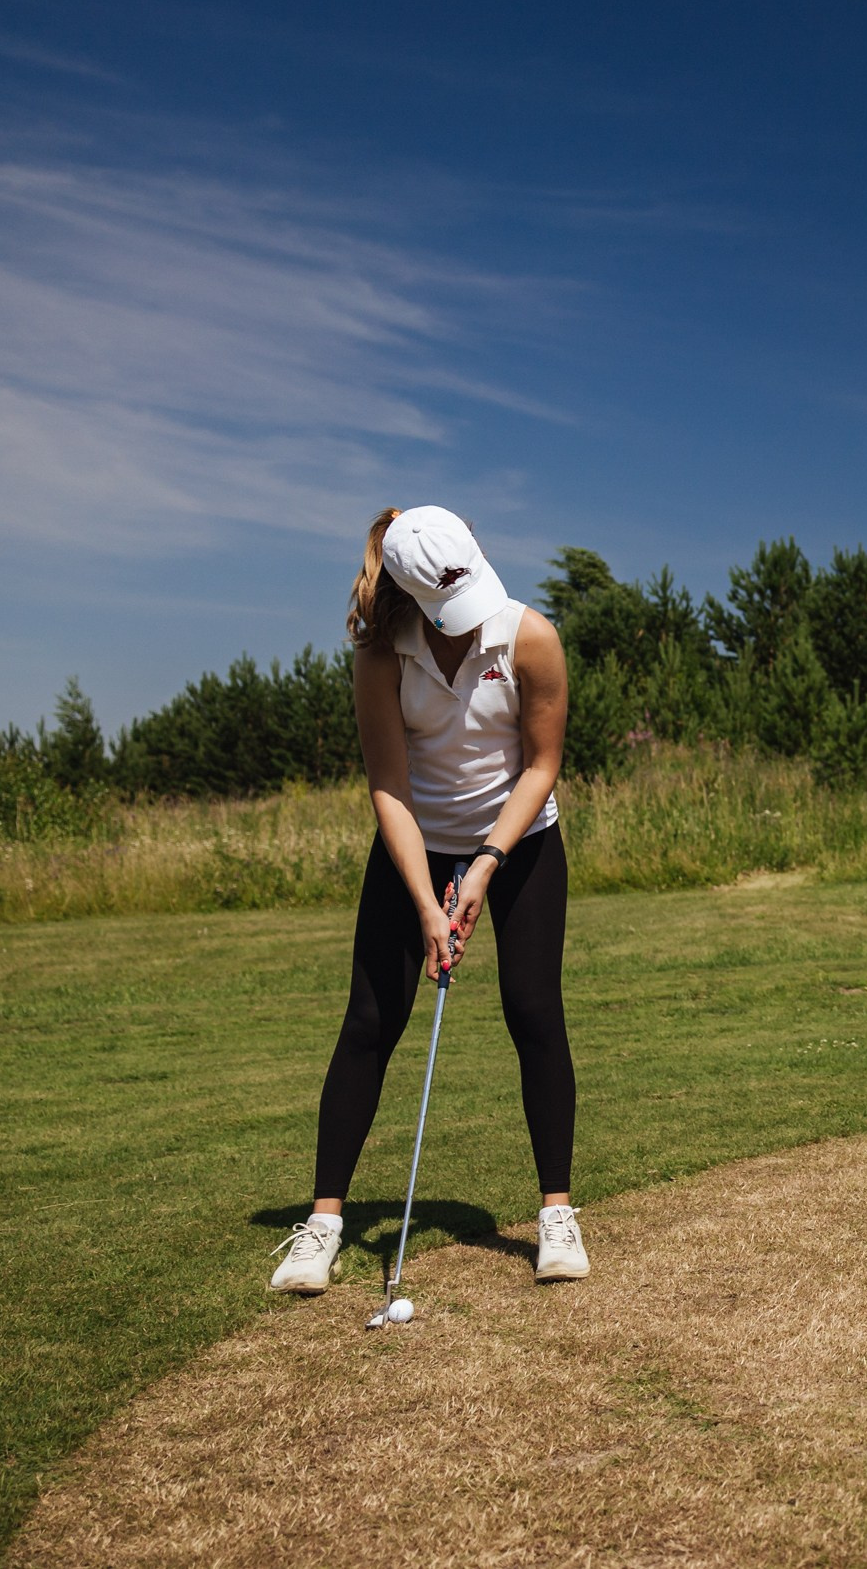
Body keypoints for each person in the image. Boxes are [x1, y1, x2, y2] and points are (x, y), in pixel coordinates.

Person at [270, 505, 589, 1293]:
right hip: (414, 842)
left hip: (519, 841)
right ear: (411, 592)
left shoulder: (530, 636)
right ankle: (324, 1224)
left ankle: (557, 1214)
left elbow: (542, 766)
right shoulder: (382, 656)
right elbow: (390, 784)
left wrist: (483, 865)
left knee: (533, 1010)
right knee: (372, 1019)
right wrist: (425, 899)